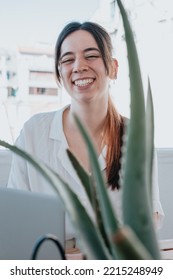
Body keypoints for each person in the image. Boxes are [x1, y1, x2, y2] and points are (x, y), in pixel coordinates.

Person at [7, 21, 164, 253]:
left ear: (113, 67)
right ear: (59, 73)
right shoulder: (33, 133)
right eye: (68, 60)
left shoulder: (135, 137)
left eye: (91, 56)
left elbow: (148, 220)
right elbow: (15, 216)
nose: (79, 66)